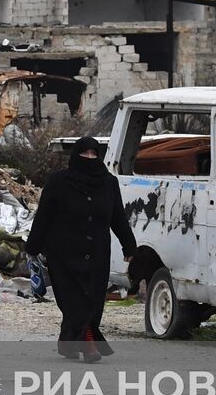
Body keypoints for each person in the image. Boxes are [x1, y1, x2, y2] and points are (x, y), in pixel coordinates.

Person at [25, 136, 136, 362]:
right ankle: (88, 344)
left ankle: (68, 344)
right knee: (75, 300)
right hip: (63, 251)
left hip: (97, 251)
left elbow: (117, 216)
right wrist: (33, 247)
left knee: (93, 300)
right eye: (85, 154)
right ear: (76, 156)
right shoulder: (58, 182)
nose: (89, 158)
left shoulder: (109, 183)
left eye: (94, 154)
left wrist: (129, 244)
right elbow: (43, 216)